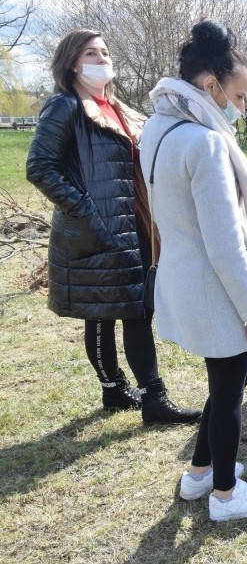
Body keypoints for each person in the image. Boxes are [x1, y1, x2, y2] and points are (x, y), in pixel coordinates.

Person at [140, 19, 247, 521]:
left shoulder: (157, 127)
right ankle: (225, 495)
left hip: (182, 275)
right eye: (239, 97)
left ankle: (199, 473)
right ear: (210, 86)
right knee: (228, 387)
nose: (241, 108)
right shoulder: (205, 142)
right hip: (213, 284)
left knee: (234, 373)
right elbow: (224, 242)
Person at [26, 29, 201, 425]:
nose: (102, 57)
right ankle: (122, 391)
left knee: (138, 309)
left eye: (105, 51)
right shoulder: (65, 106)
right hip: (94, 230)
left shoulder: (118, 108)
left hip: (133, 224)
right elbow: (39, 167)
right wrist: (86, 212)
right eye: (91, 52)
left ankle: (143, 395)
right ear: (73, 62)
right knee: (102, 313)